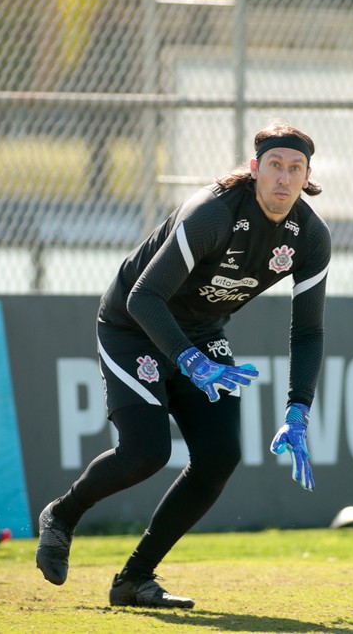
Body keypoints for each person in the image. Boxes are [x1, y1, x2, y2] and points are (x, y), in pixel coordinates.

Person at [35, 118, 331, 609]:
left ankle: (134, 580)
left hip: (201, 333)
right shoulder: (212, 214)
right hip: (133, 326)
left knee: (220, 456)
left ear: (306, 177)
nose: (283, 177)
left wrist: (298, 409)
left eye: (294, 168)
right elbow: (143, 296)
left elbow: (309, 332)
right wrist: (191, 363)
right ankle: (62, 516)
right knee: (145, 452)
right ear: (255, 169)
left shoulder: (311, 236)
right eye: (274, 165)